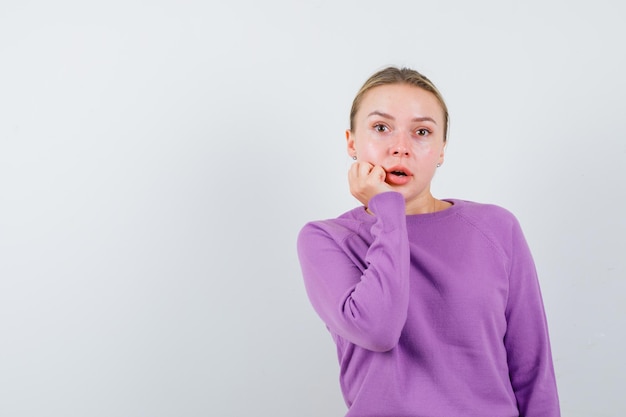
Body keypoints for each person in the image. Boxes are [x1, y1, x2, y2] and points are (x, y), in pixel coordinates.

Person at [296, 66, 560, 416]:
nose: (401, 148)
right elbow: (377, 329)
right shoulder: (327, 239)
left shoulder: (497, 228)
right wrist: (387, 210)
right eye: (381, 128)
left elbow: (532, 370)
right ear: (351, 143)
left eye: (421, 132)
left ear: (441, 150)